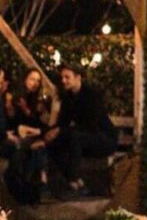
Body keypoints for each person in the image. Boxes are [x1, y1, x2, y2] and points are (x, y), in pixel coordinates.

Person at [44, 64, 116, 199]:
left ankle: (73, 181)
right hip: (83, 140)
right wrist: (51, 133)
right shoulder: (67, 97)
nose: (63, 80)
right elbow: (63, 122)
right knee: (53, 143)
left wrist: (60, 130)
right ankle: (77, 184)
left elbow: (90, 125)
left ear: (78, 77)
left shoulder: (92, 95)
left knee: (75, 137)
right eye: (62, 77)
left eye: (67, 77)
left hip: (104, 139)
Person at [5, 68, 53, 204]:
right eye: (32, 79)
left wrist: (29, 112)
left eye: (38, 80)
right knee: (36, 147)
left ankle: (41, 182)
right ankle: (41, 182)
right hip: (20, 135)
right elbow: (14, 122)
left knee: (39, 146)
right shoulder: (17, 97)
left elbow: (42, 123)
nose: (35, 83)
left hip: (36, 135)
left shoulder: (39, 100)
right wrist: (13, 109)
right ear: (25, 79)